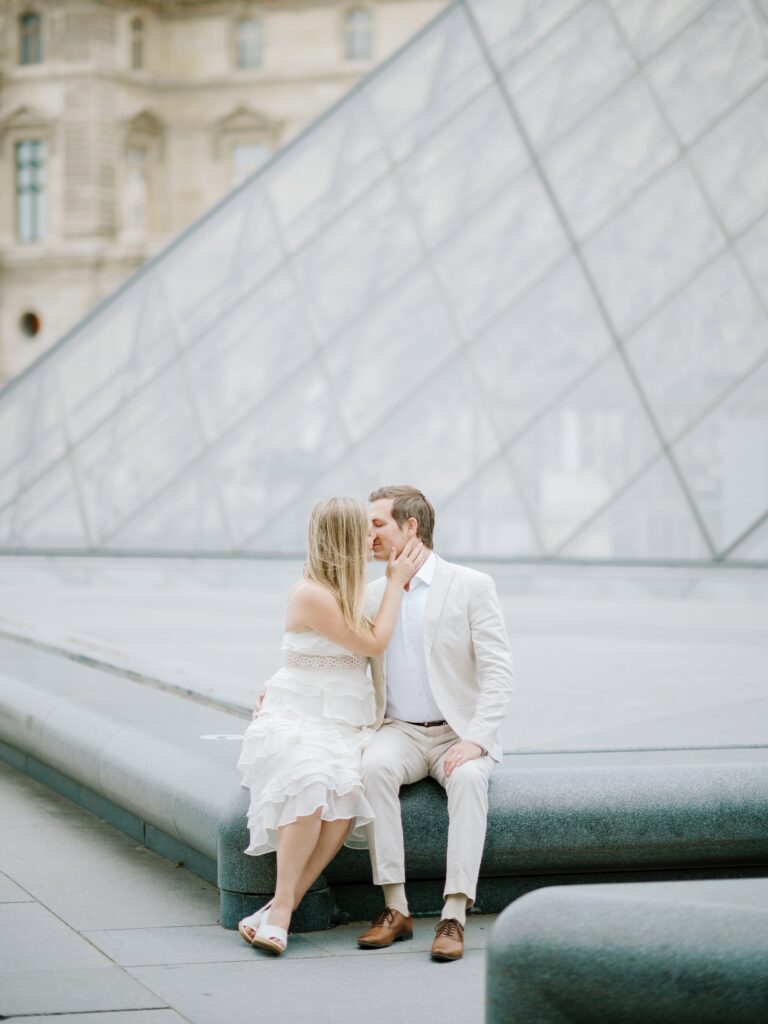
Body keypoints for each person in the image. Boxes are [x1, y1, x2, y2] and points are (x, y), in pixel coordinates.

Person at [237, 496, 425, 955]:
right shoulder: (312, 594)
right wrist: (396, 582)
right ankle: (283, 913)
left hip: (341, 722)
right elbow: (373, 643)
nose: (372, 537)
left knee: (343, 803)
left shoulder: (352, 590)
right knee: (310, 783)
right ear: (344, 538)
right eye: (364, 530)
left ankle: (278, 909)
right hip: (301, 719)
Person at [357, 485, 514, 962]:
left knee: (468, 779)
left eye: (377, 524)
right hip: (399, 731)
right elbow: (346, 666)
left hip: (457, 732)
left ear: (411, 526)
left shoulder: (471, 585)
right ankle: (396, 908)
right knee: (372, 769)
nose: (368, 536)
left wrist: (477, 739)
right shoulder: (373, 595)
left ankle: (455, 914)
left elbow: (498, 672)